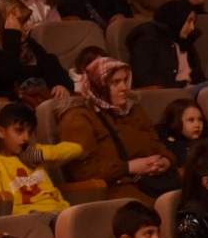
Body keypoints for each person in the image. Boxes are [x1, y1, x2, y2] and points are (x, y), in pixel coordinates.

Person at [56, 58, 173, 198]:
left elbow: (159, 146)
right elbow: (83, 171)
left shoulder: (133, 109)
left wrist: (164, 161)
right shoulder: (78, 117)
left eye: (125, 80)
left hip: (153, 182)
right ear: (97, 85)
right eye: (115, 82)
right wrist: (129, 167)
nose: (124, 87)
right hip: (113, 189)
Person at [0, 102, 78, 216]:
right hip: (30, 216)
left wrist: (39, 155)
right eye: (19, 131)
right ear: (1, 132)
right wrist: (26, 215)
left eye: (30, 132)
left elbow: (76, 149)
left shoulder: (35, 153)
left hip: (60, 210)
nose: (26, 138)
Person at [125, 0, 198, 87]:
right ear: (177, 18)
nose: (192, 28)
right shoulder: (147, 39)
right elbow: (144, 79)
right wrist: (182, 85)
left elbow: (199, 75)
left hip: (193, 91)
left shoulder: (186, 41)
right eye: (189, 21)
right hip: (169, 94)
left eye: (194, 22)